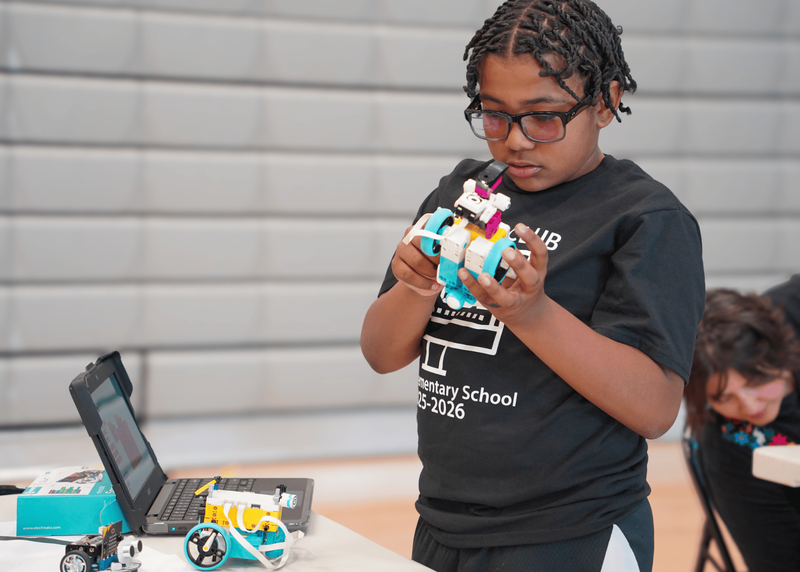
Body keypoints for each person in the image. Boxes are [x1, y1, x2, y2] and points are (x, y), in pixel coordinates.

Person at [360, 1, 705, 570]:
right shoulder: (460, 192)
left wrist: (532, 313)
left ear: (606, 102)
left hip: (572, 529)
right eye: (494, 115)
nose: (516, 141)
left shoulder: (645, 219)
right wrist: (417, 288)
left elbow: (654, 408)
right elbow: (381, 352)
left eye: (543, 117)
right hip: (445, 520)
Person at [685, 286, 800, 572]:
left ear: (780, 353)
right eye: (723, 398)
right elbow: (779, 562)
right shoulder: (731, 449)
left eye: (755, 382)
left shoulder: (791, 308)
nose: (750, 406)